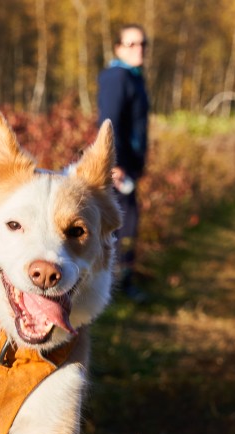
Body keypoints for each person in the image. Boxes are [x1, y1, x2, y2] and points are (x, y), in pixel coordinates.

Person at [97, 24, 150, 301]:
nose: (138, 49)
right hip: (119, 168)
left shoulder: (134, 77)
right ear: (118, 48)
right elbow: (109, 120)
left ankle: (120, 283)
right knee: (123, 223)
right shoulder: (117, 77)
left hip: (129, 167)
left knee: (128, 222)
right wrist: (113, 164)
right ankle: (116, 286)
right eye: (131, 44)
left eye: (142, 44)